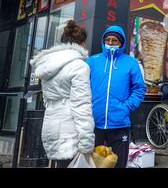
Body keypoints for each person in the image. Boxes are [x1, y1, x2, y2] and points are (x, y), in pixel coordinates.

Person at [30, 20, 94, 168]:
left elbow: (46, 99)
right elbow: (81, 105)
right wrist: (86, 142)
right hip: (70, 128)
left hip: (50, 122)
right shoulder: (79, 66)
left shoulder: (47, 65)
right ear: (82, 43)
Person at [87, 26, 146, 168]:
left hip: (120, 123)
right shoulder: (92, 61)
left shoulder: (130, 63)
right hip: (94, 123)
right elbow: (81, 88)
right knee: (93, 164)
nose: (111, 42)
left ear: (121, 43)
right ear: (103, 41)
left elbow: (139, 89)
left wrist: (126, 107)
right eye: (107, 40)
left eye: (114, 40)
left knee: (119, 164)